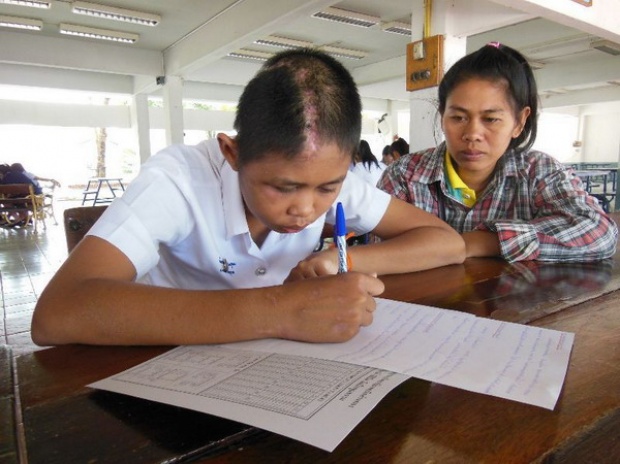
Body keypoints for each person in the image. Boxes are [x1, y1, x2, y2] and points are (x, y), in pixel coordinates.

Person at [31, 48, 466, 347]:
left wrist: (340, 260)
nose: (306, 208)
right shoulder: (178, 181)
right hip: (163, 360)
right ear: (232, 152)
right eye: (282, 187)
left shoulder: (332, 181)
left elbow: (447, 242)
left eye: (327, 188)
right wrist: (281, 310)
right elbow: (57, 313)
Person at [378, 43, 618, 263]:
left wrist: (478, 242)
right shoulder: (404, 176)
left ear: (519, 122)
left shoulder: (539, 173)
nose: (472, 133)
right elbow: (382, 253)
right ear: (442, 116)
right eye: (458, 117)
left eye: (491, 119)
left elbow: (599, 232)